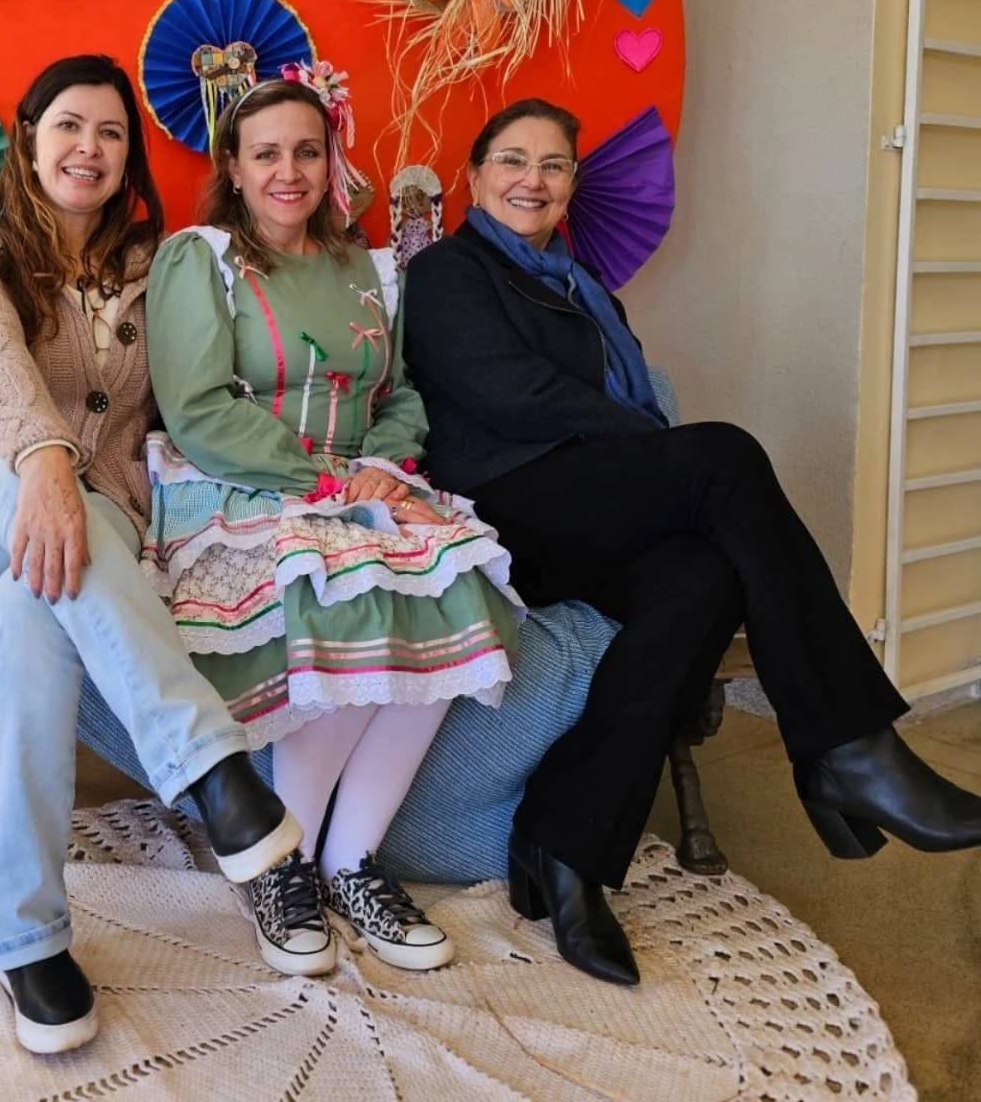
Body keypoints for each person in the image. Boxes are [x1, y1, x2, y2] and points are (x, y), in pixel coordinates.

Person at [402, 97, 981, 986]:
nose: (533, 180)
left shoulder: (584, 290)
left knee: (702, 578)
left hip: (591, 505)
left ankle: (564, 847)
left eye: (554, 165)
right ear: (475, 176)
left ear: (571, 185)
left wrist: (654, 457)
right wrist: (659, 447)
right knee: (724, 455)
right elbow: (513, 396)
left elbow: (604, 413)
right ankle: (847, 747)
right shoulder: (448, 271)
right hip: (505, 508)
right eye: (512, 160)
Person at [0, 55, 300, 1054]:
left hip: (82, 539)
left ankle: (22, 937)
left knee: (35, 607)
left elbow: (191, 396)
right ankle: (213, 771)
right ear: (30, 138)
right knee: (35, 501)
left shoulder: (163, 266)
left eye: (111, 133)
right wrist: (41, 463)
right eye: (70, 125)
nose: (89, 148)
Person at [143, 73, 524, 977]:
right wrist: (324, 480)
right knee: (346, 594)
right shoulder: (200, 260)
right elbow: (197, 410)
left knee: (458, 588)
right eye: (266, 154)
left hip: (359, 485)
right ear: (234, 169)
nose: (289, 171)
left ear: (331, 161)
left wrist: (382, 470)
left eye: (307, 151)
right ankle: (286, 866)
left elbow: (399, 395)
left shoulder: (371, 268)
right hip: (243, 482)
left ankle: (351, 862)